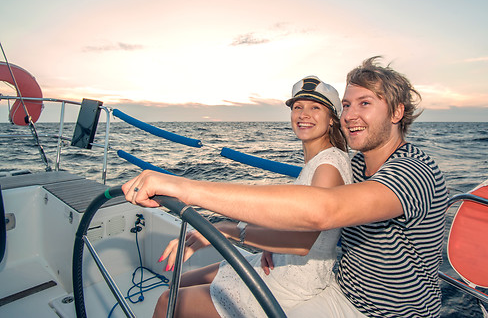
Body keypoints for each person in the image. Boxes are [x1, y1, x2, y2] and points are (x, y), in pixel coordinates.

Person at [124, 56, 448, 317]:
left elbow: (323, 211)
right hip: (341, 290)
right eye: (347, 105)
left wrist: (189, 193)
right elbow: (308, 216)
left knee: (171, 302)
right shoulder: (359, 164)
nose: (351, 114)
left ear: (397, 111)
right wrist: (267, 240)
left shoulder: (412, 172)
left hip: (388, 314)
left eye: (365, 103)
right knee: (177, 292)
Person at [150, 75, 353, 317]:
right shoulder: (320, 160)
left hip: (291, 284)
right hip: (277, 264)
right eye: (298, 107)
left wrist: (228, 230)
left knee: (167, 302)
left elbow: (302, 242)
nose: (303, 114)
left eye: (315, 107)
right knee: (179, 283)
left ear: (332, 119)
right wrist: (270, 246)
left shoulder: (328, 166)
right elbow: (292, 215)